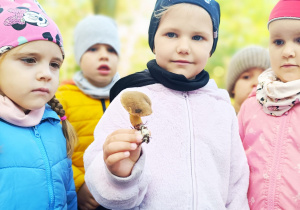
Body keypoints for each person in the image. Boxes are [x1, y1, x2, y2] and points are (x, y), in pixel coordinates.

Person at [83, 0, 250, 209]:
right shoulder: (130, 100)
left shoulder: (222, 108)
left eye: (198, 37)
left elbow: (236, 184)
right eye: (171, 34)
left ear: (211, 47)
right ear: (154, 40)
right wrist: (119, 174)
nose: (183, 48)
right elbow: (103, 184)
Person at [0, 0, 77, 209]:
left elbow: (69, 196)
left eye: (54, 64)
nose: (46, 74)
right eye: (29, 60)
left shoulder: (55, 124)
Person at [238, 0, 300, 209]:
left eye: (299, 40)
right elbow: (232, 167)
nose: (288, 52)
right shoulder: (251, 105)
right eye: (278, 42)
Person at [55, 15, 120, 210]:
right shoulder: (61, 97)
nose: (104, 55)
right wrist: (78, 184)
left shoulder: (127, 96)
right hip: (83, 199)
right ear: (79, 56)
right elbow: (54, 150)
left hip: (122, 194)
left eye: (111, 49)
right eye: (93, 49)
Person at [226, 46, 270, 113]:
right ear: (233, 88)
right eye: (246, 77)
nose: (256, 83)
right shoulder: (218, 119)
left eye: (265, 77)